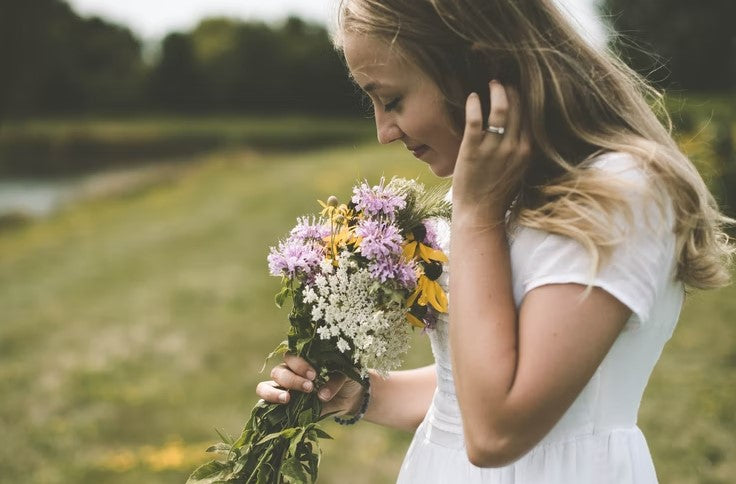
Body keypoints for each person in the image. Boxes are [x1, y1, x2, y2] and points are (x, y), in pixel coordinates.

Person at [256, 0, 734, 482]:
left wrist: (476, 215)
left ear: (475, 65)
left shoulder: (618, 194)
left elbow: (496, 431)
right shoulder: (504, 188)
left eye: (392, 99)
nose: (384, 131)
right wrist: (363, 395)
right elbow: (465, 394)